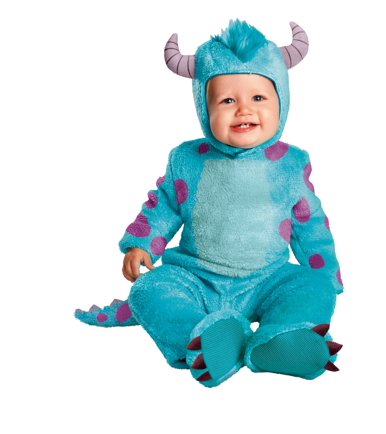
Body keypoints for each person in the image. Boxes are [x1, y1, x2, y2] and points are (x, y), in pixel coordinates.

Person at [75, 19, 343, 388]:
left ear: (281, 101)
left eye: (258, 98)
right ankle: (203, 340)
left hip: (268, 279)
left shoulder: (290, 163)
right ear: (204, 106)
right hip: (195, 278)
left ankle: (283, 338)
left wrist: (326, 272)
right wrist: (142, 244)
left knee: (313, 287)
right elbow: (163, 205)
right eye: (228, 100)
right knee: (149, 291)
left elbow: (310, 222)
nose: (243, 110)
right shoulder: (187, 159)